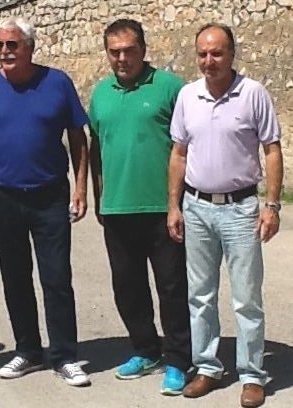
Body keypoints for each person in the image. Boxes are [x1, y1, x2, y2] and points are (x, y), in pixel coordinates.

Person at [168, 23, 282, 408]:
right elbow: (179, 154)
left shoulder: (253, 94)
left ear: (232, 54)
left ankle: (252, 375)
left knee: (246, 298)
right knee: (200, 295)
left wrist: (272, 206)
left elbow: (272, 150)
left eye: (216, 53)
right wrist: (174, 205)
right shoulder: (188, 96)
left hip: (241, 209)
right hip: (197, 207)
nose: (209, 61)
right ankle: (207, 367)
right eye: (202, 53)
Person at [0, 17, 90, 386]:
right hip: (3, 197)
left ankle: (65, 356)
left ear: (30, 47)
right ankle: (28, 350)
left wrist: (80, 187)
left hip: (49, 195)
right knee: (15, 277)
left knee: (56, 278)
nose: (4, 52)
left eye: (12, 45)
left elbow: (78, 137)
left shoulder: (57, 82)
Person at [88, 19, 191, 395]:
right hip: (117, 209)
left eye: (129, 50)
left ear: (143, 50)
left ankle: (179, 359)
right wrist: (99, 197)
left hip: (164, 208)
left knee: (172, 287)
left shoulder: (171, 88)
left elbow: (188, 146)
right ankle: (146, 350)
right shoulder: (101, 93)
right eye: (114, 52)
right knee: (127, 287)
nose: (121, 58)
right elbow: (96, 148)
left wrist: (179, 202)